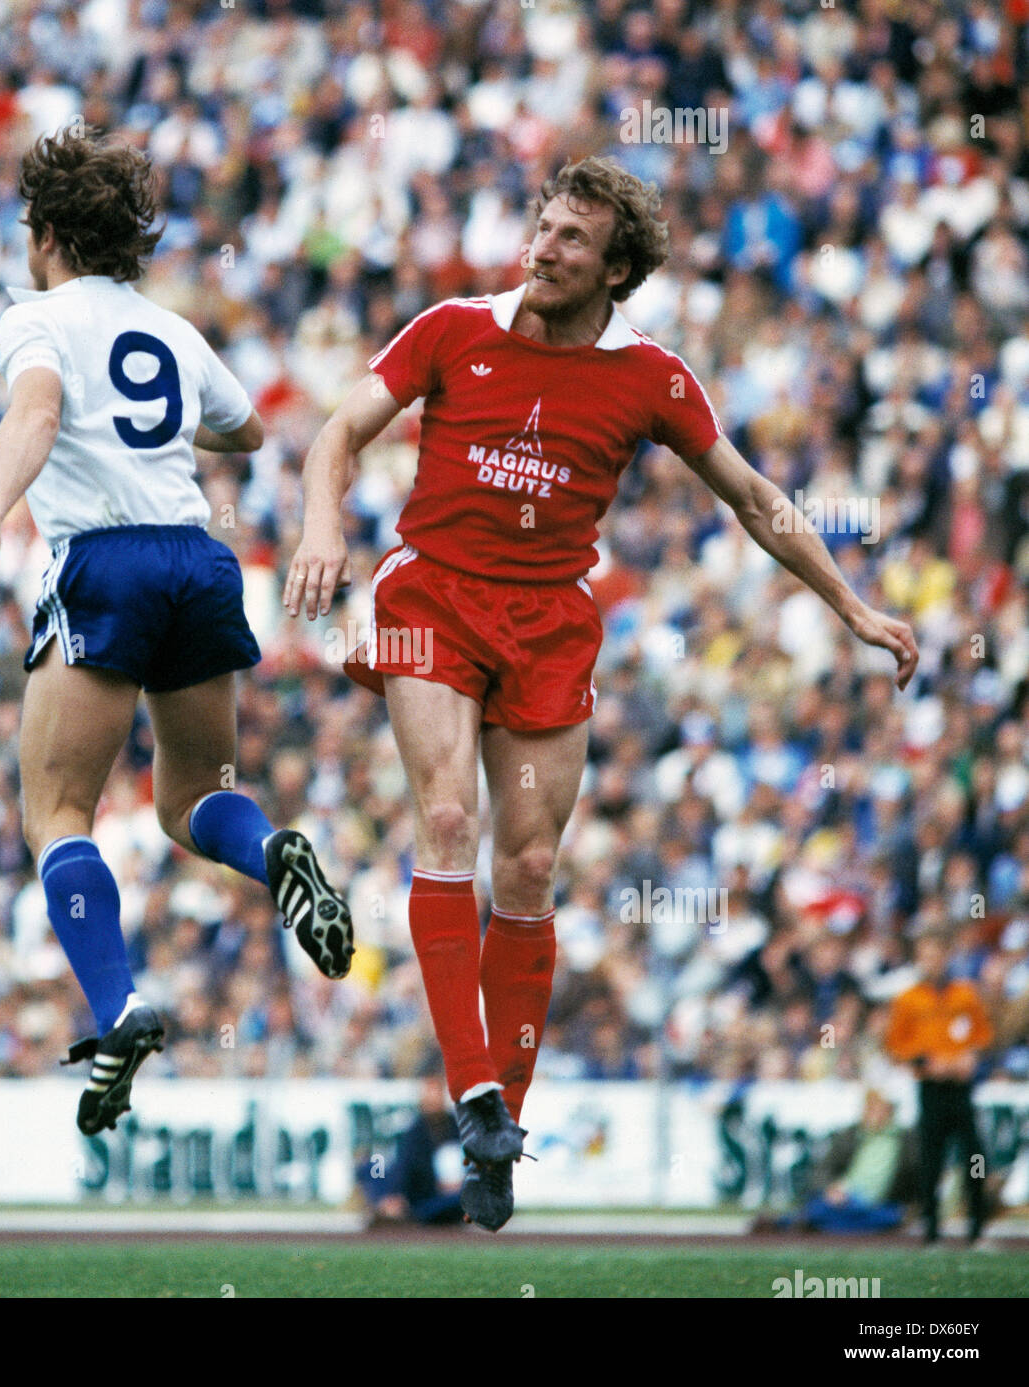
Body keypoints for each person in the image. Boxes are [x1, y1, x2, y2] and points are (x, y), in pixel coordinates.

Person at [284, 155, 918, 1231]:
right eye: (541, 228)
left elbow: (758, 502)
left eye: (571, 240)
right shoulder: (451, 328)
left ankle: (499, 1133)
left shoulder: (653, 379)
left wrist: (851, 607)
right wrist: (319, 525)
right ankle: (471, 1085)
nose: (542, 248)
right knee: (446, 817)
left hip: (549, 625)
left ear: (615, 268)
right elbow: (339, 431)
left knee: (527, 870)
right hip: (431, 596)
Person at [0, 127, 353, 1136]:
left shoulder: (34, 318)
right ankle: (275, 855)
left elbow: (36, 413)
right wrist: (165, 434)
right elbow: (247, 428)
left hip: (107, 561)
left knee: (57, 813)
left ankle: (118, 1009)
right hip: (199, 562)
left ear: (45, 235)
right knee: (192, 801)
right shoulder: (169, 328)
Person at [885, 930, 993, 1243]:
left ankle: (977, 1223)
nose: (931, 962)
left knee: (973, 1154)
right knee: (931, 1157)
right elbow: (897, 1046)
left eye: (936, 955)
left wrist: (968, 1059)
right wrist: (928, 1063)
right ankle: (931, 1227)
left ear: (946, 956)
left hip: (959, 1088)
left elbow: (981, 1038)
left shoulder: (965, 994)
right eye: (925, 956)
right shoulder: (908, 999)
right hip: (931, 1087)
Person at [757, 1088, 918, 1234]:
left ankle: (797, 1223)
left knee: (889, 1217)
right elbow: (823, 1169)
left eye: (880, 1109)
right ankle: (799, 1222)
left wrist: (913, 1206)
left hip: (882, 1202)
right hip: (848, 1195)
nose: (875, 1115)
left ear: (890, 1111)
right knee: (826, 1208)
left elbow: (917, 1175)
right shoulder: (850, 1135)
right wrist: (831, 1189)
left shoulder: (904, 1139)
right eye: (871, 1109)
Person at [355, 1077, 465, 1227]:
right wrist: (394, 1194)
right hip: (409, 1191)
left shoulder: (455, 1129)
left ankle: (401, 1214)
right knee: (370, 1166)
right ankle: (387, 1207)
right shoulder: (415, 1130)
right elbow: (404, 1165)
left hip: (434, 1196)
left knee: (460, 1199)